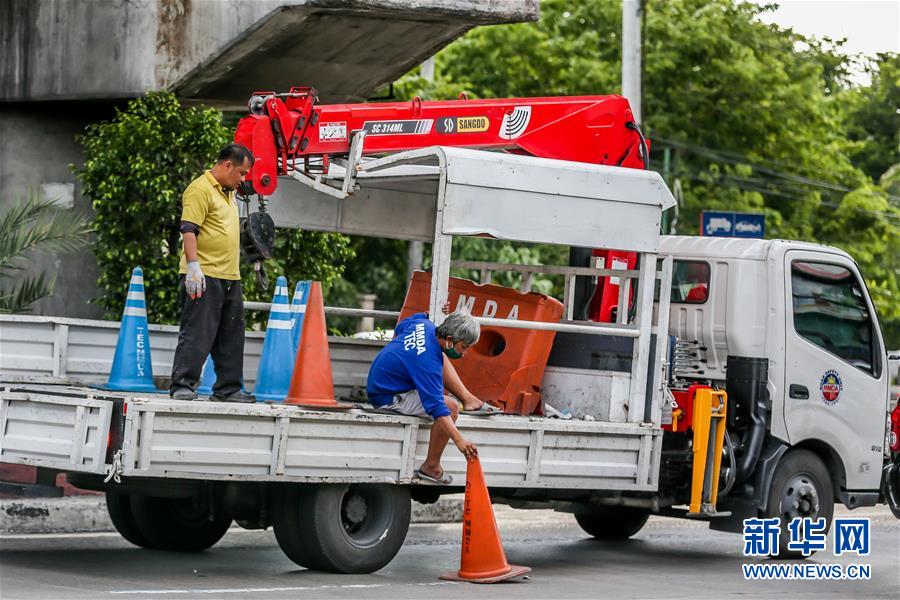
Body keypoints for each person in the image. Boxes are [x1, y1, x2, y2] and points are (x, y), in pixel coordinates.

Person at [366, 309, 501, 485]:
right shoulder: (427, 362)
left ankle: (469, 400)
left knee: (441, 357)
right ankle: (431, 466)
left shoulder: (424, 325)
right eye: (464, 347)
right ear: (450, 340)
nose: (465, 353)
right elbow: (436, 407)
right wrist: (459, 440)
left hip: (381, 381)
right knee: (451, 408)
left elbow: (403, 325)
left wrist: (430, 311)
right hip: (387, 396)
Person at [169, 144, 255, 403]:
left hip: (230, 276)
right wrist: (193, 268)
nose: (243, 179)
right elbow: (188, 230)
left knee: (231, 334)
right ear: (227, 165)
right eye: (241, 173)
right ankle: (182, 384)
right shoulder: (200, 189)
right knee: (198, 331)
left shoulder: (228, 193)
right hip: (204, 274)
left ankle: (228, 389)